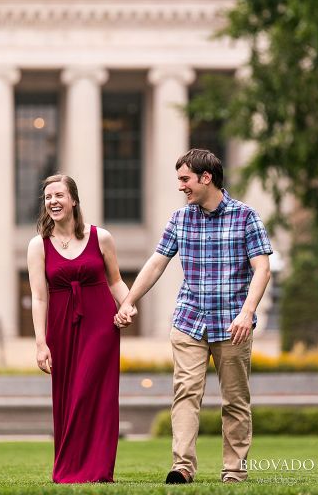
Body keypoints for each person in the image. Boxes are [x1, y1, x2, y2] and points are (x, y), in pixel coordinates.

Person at [115, 148, 272, 484]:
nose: (180, 186)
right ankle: (182, 467)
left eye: (185, 179)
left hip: (233, 325)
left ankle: (234, 470)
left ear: (206, 178)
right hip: (189, 321)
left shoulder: (246, 217)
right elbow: (157, 262)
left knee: (235, 400)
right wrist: (128, 300)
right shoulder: (179, 218)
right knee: (185, 392)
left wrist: (248, 313)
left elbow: (262, 269)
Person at [27, 174, 129, 483]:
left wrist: (127, 304)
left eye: (59, 195)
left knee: (94, 393)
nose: (53, 201)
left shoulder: (102, 237)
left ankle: (98, 469)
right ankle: (70, 469)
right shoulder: (38, 245)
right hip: (61, 326)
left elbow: (115, 281)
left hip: (100, 323)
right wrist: (40, 343)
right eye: (48, 197)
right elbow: (39, 296)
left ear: (74, 200)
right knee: (69, 397)